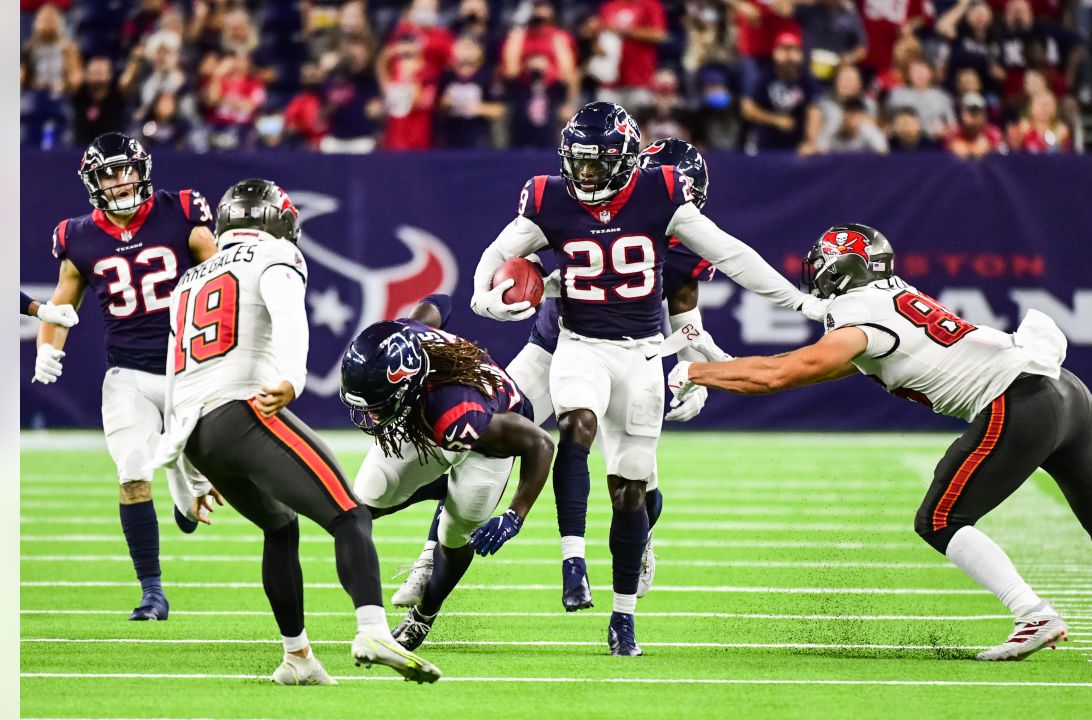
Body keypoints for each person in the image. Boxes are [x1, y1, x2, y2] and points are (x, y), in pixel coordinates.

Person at [469, 103, 824, 655]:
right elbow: (501, 251)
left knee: (634, 488)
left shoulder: (665, 205)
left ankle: (624, 614)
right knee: (551, 430)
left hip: (639, 354)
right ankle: (565, 562)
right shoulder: (550, 197)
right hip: (566, 343)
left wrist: (786, 310)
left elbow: (725, 268)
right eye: (579, 163)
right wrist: (485, 296)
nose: (586, 175)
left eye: (598, 163)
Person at [669, 223, 1092, 662]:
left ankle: (1032, 613)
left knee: (939, 520)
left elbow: (785, 373)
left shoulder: (859, 315)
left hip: (1020, 402)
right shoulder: (887, 299)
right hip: (1068, 393)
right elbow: (809, 367)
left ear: (840, 270)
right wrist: (726, 366)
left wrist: (695, 372)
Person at [390, 138, 726, 612]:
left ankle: (642, 536)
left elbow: (684, 309)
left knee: (637, 477)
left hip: (630, 358)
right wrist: (517, 277)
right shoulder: (587, 205)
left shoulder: (687, 241)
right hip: (554, 349)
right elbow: (524, 247)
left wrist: (696, 369)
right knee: (480, 437)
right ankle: (430, 556)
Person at [156, 179, 440, 684]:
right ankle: (373, 628)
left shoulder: (189, 280)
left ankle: (298, 658)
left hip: (195, 432)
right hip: (243, 408)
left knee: (280, 527)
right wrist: (294, 377)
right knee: (350, 514)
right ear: (280, 221)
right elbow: (288, 314)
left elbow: (175, 379)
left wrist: (187, 477)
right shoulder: (275, 253)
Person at [33, 132, 218, 621]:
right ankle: (153, 591)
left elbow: (224, 280)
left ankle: (188, 482)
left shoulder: (179, 210)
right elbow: (60, 306)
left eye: (125, 170)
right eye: (109, 173)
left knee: (213, 472)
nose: (119, 181)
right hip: (128, 374)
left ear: (142, 169)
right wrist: (46, 350)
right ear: (93, 181)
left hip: (190, 371)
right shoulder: (77, 235)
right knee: (133, 471)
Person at [339, 307, 555, 652]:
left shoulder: (461, 413)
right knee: (368, 496)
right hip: (426, 413)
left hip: (485, 438)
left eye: (378, 405)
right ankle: (429, 538)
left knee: (457, 531)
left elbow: (540, 443)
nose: (371, 415)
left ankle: (424, 615)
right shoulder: (402, 336)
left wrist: (515, 516)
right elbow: (437, 304)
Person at [741, 31, 822, 154]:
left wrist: (810, 141)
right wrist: (775, 120)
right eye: (784, 50)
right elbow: (748, 108)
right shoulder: (766, 76)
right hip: (766, 147)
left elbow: (814, 110)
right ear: (775, 53)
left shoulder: (806, 78)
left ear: (800, 54)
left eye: (792, 50)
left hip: (797, 147)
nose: (788, 56)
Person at [944, 91, 1004, 158]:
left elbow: (1002, 154)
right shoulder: (952, 132)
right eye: (970, 111)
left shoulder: (994, 133)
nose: (974, 116)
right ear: (961, 113)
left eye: (977, 111)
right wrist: (953, 149)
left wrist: (989, 149)